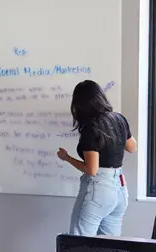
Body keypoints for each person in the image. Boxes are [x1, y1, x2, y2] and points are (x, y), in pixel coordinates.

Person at [57, 79, 136, 236]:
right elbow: (132, 147)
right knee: (109, 249)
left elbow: (92, 169)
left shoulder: (91, 128)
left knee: (79, 245)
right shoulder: (119, 119)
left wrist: (67, 158)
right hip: (120, 190)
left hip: (99, 190)